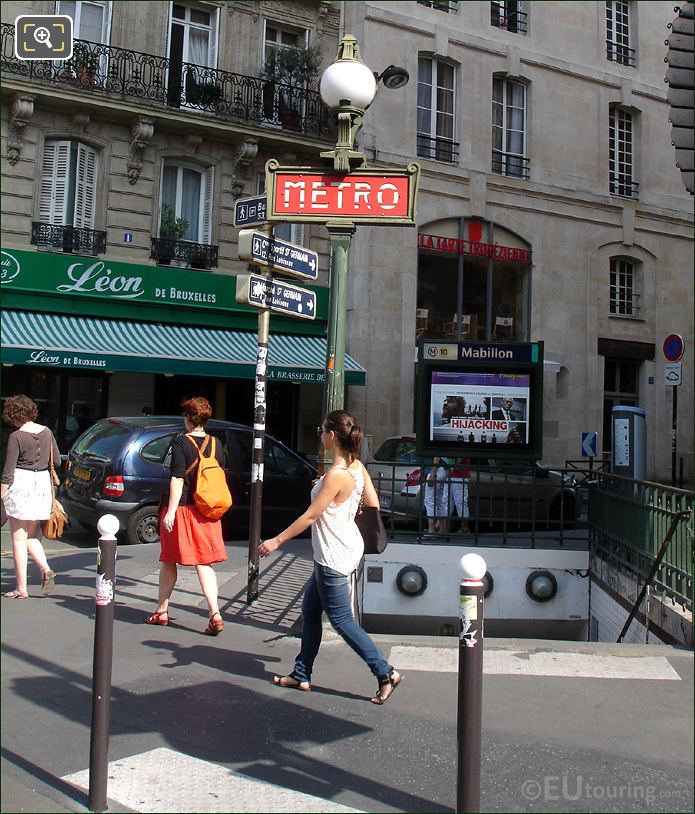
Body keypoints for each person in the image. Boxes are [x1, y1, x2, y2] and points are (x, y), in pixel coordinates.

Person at [259, 410, 402, 705]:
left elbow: (311, 516)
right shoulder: (356, 467)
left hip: (333, 554)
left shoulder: (336, 475)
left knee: (341, 620)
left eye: (321, 430)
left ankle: (385, 671)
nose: (319, 434)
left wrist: (277, 540)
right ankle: (301, 673)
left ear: (332, 435)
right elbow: (372, 504)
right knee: (310, 610)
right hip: (342, 547)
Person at [145, 396, 228, 635]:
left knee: (169, 559)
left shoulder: (181, 443)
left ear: (189, 418)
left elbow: (178, 478)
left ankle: (162, 610)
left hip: (183, 509)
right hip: (207, 510)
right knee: (204, 563)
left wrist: (170, 512)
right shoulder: (216, 443)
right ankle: (215, 612)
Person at [1, 395, 58, 599]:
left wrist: (1, 496)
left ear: (13, 415)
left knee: (18, 537)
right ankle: (45, 569)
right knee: (31, 537)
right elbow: (57, 461)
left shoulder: (16, 436)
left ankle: (21, 588)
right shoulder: (47, 431)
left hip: (21, 483)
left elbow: (8, 472)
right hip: (41, 484)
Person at [424, 456, 449, 534]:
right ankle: (443, 529)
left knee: (429, 500)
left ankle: (431, 530)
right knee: (439, 501)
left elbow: (436, 457)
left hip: (436, 470)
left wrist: (432, 474)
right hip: (443, 470)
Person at [449, 457, 472, 534]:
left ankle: (465, 527)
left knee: (460, 502)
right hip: (456, 475)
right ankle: (440, 526)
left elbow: (460, 457)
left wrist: (453, 467)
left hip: (459, 475)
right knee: (451, 502)